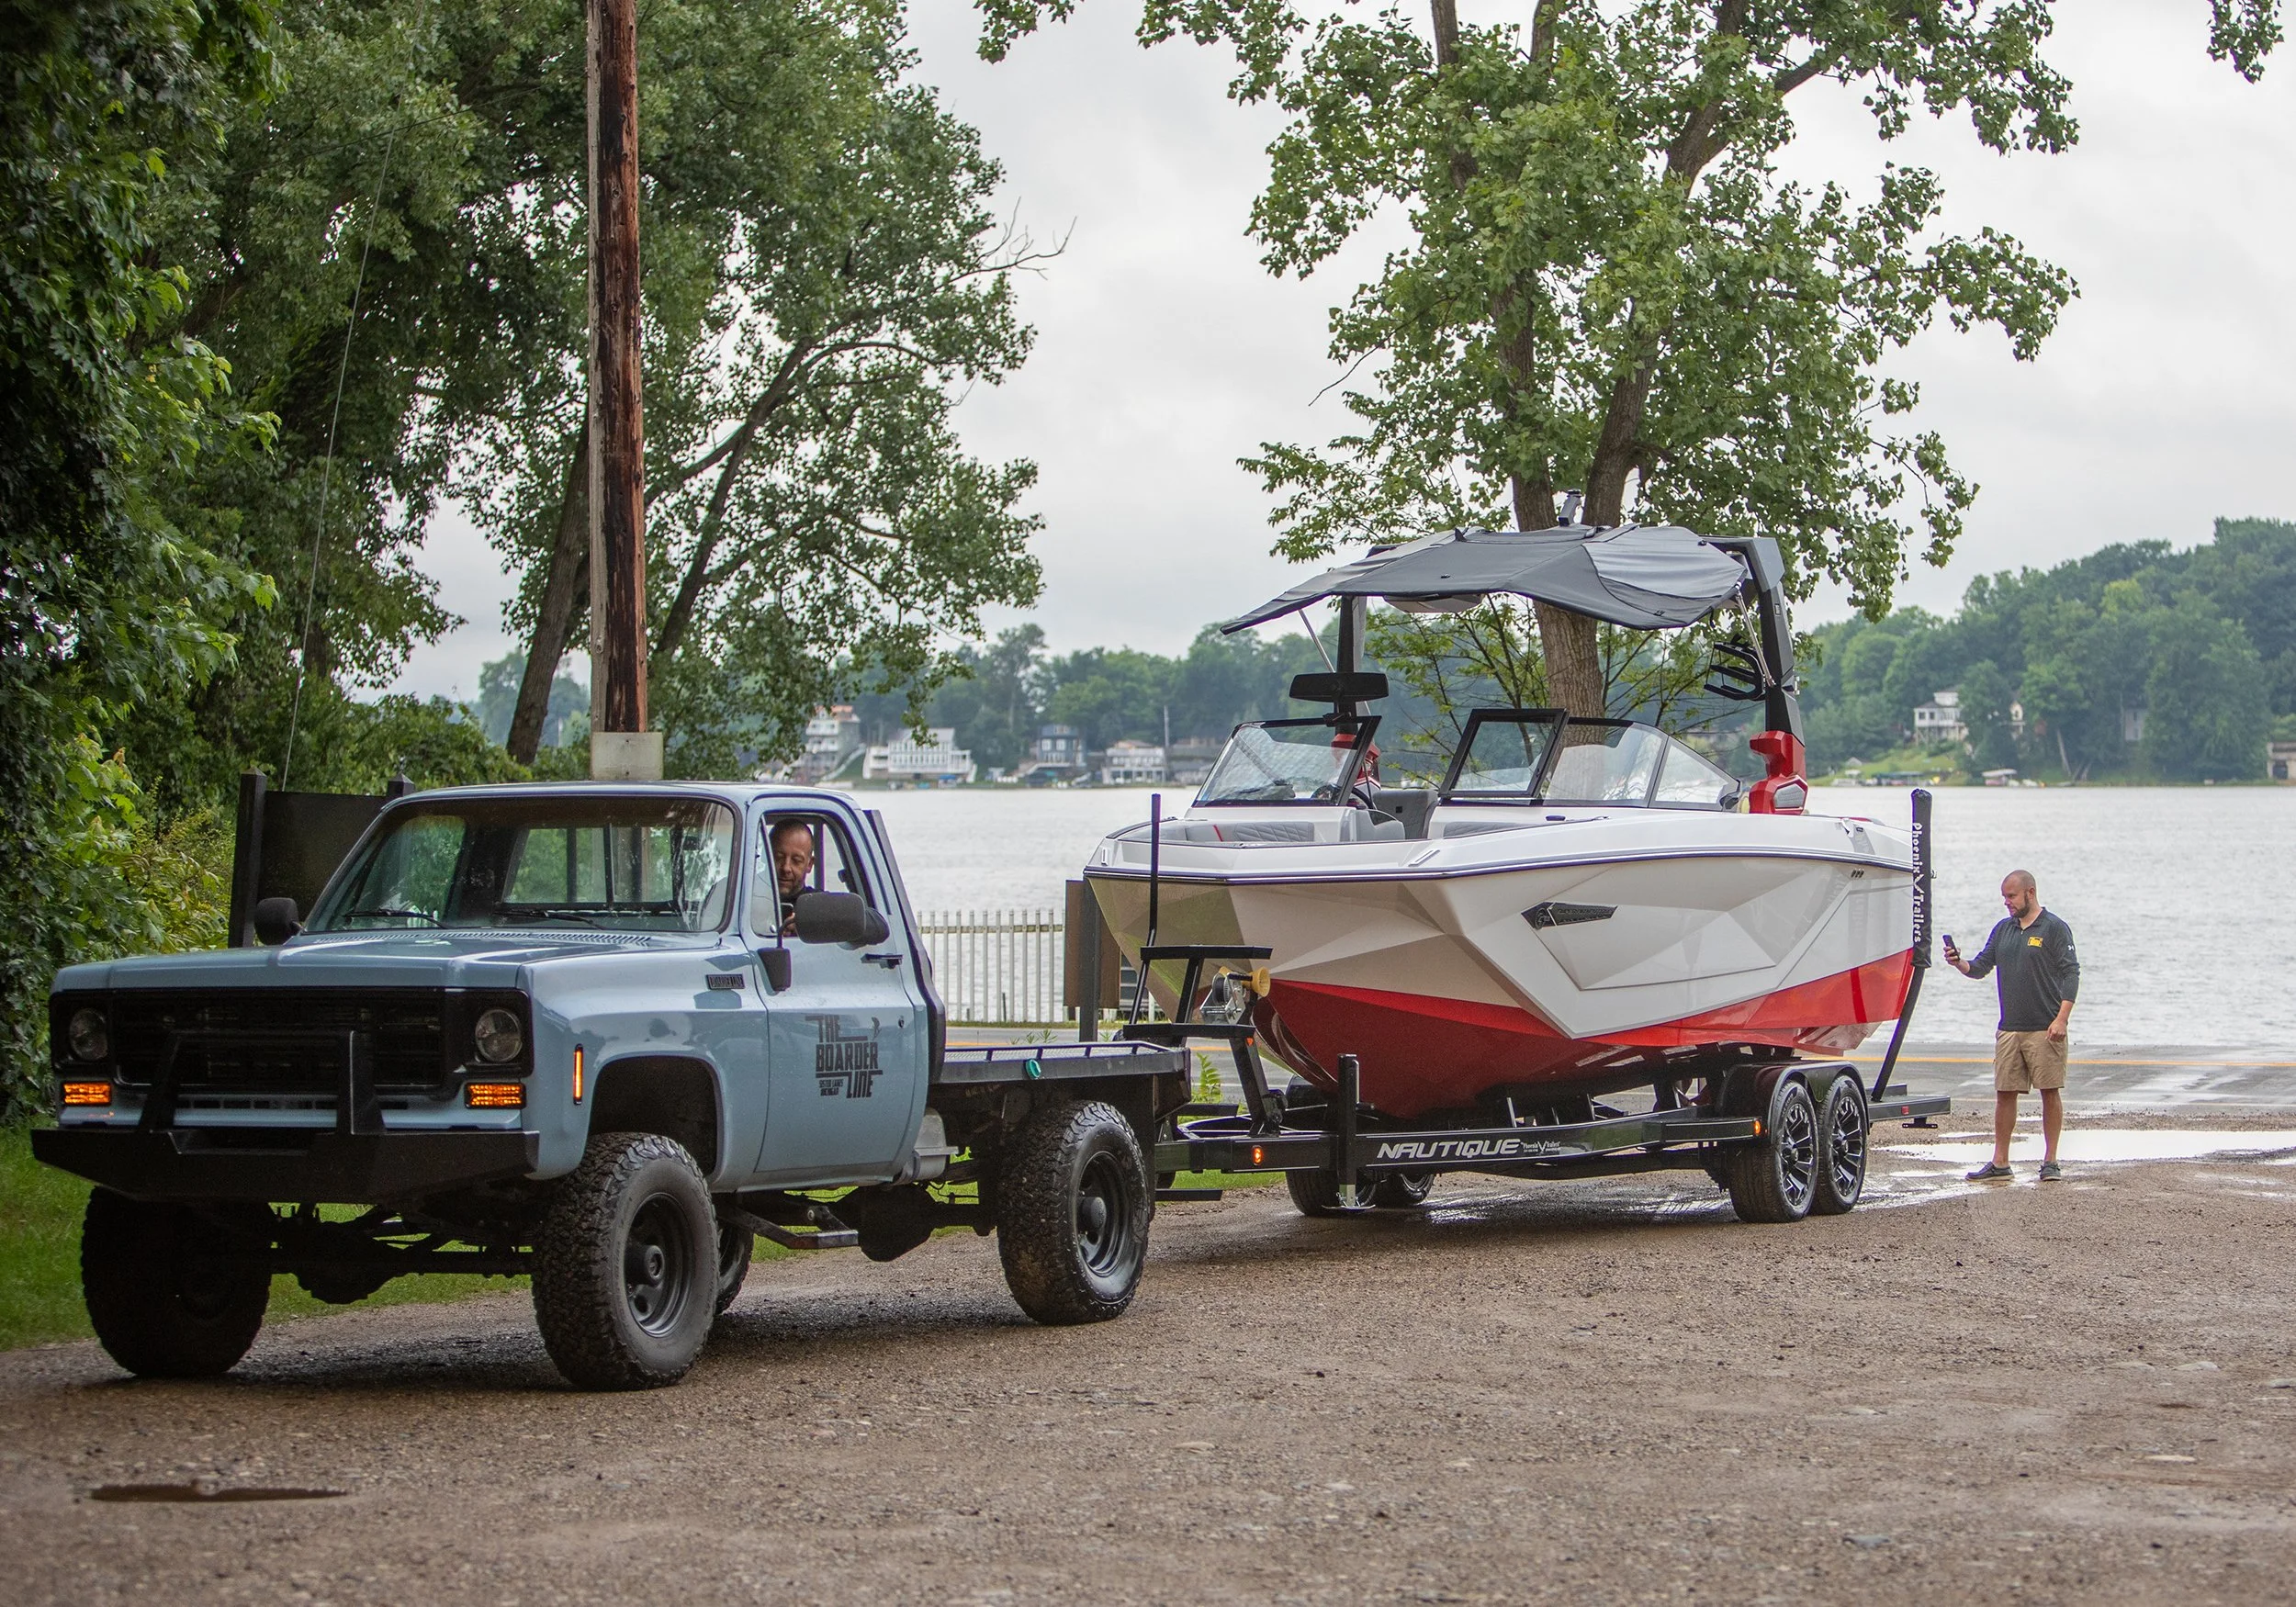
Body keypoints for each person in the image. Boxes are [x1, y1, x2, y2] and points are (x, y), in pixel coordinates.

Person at [1944, 870, 2079, 1183]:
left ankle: (2050, 1161)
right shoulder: (2003, 929)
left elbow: (2071, 973)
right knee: (2004, 1093)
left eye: (2011, 896)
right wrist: (1959, 962)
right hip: (2009, 1028)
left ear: (2030, 893)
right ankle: (2000, 1161)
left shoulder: (2054, 928)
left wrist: (2061, 1019)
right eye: (2004, 897)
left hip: (2045, 1027)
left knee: (2049, 1092)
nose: (2007, 902)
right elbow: (1980, 967)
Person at [768, 818, 816, 935]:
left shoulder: (819, 906)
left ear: (809, 864)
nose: (786, 868)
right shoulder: (741, 897)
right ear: (766, 855)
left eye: (796, 860)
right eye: (778, 857)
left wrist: (808, 930)